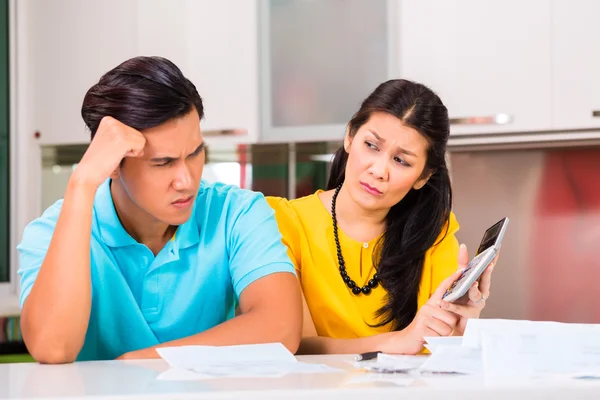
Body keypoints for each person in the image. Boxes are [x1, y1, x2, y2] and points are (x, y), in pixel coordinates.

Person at [17, 56, 302, 364]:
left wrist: (142, 362)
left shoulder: (238, 212)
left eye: (195, 153)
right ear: (113, 165)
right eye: (163, 162)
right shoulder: (51, 232)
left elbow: (281, 326)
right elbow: (52, 349)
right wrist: (82, 184)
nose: (186, 181)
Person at [267, 79, 498, 355]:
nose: (379, 170)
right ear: (350, 136)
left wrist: (464, 325)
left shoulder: (435, 234)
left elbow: (443, 354)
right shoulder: (284, 222)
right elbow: (297, 346)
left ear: (423, 177)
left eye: (401, 161)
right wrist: (397, 341)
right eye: (372, 145)